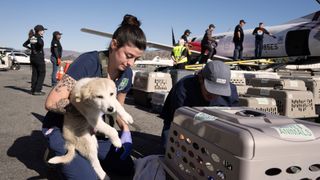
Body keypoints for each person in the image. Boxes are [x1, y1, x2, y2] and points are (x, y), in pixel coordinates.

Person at [42, 14, 146, 179]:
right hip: (63, 128)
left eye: (136, 58)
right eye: (128, 55)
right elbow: (51, 102)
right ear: (114, 44)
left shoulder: (126, 74)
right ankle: (58, 152)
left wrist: (126, 131)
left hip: (92, 128)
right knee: (87, 177)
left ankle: (89, 157)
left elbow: (117, 108)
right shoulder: (88, 62)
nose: (131, 63)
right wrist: (85, 112)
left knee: (127, 168)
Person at [160, 60, 239, 150]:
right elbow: (181, 119)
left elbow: (232, 121)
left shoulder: (231, 92)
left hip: (213, 126)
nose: (213, 95)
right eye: (211, 90)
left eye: (218, 92)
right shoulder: (183, 87)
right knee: (171, 151)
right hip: (178, 122)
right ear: (201, 78)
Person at [23, 24, 47, 95]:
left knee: (35, 73)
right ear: (39, 31)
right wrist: (39, 45)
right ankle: (37, 90)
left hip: (32, 57)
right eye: (43, 30)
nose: (43, 32)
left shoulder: (32, 37)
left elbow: (24, 44)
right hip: (38, 57)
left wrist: (32, 49)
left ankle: (33, 89)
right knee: (42, 73)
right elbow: (40, 44)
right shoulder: (38, 37)